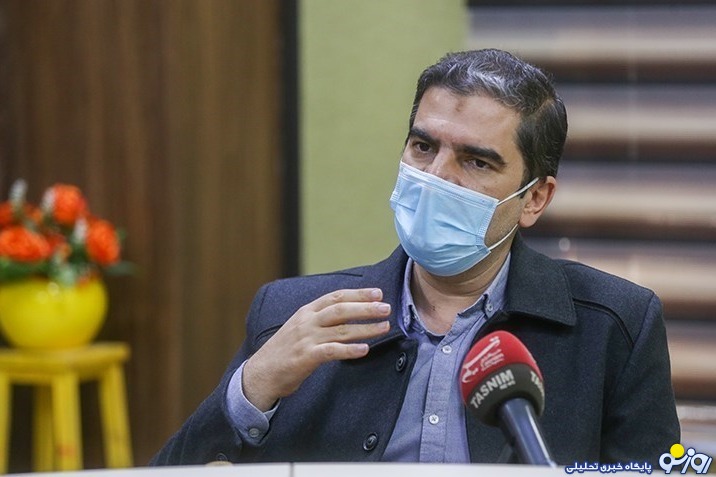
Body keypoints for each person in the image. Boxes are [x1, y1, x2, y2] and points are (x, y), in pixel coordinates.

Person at [151, 49, 680, 466]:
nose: (436, 177)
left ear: (534, 199)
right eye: (423, 147)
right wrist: (253, 388)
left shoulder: (614, 326)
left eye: (476, 161)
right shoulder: (290, 313)